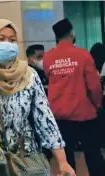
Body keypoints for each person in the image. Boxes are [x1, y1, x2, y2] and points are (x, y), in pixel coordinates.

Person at [0, 19, 75, 176]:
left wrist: (62, 161)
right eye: (1, 39)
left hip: (26, 158)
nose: (7, 44)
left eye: (12, 40)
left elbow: (44, 118)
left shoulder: (28, 74)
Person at [43, 18, 105, 176]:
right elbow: (94, 86)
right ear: (72, 33)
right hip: (84, 115)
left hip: (59, 117)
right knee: (93, 156)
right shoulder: (82, 55)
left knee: (67, 159)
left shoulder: (48, 58)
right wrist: (97, 105)